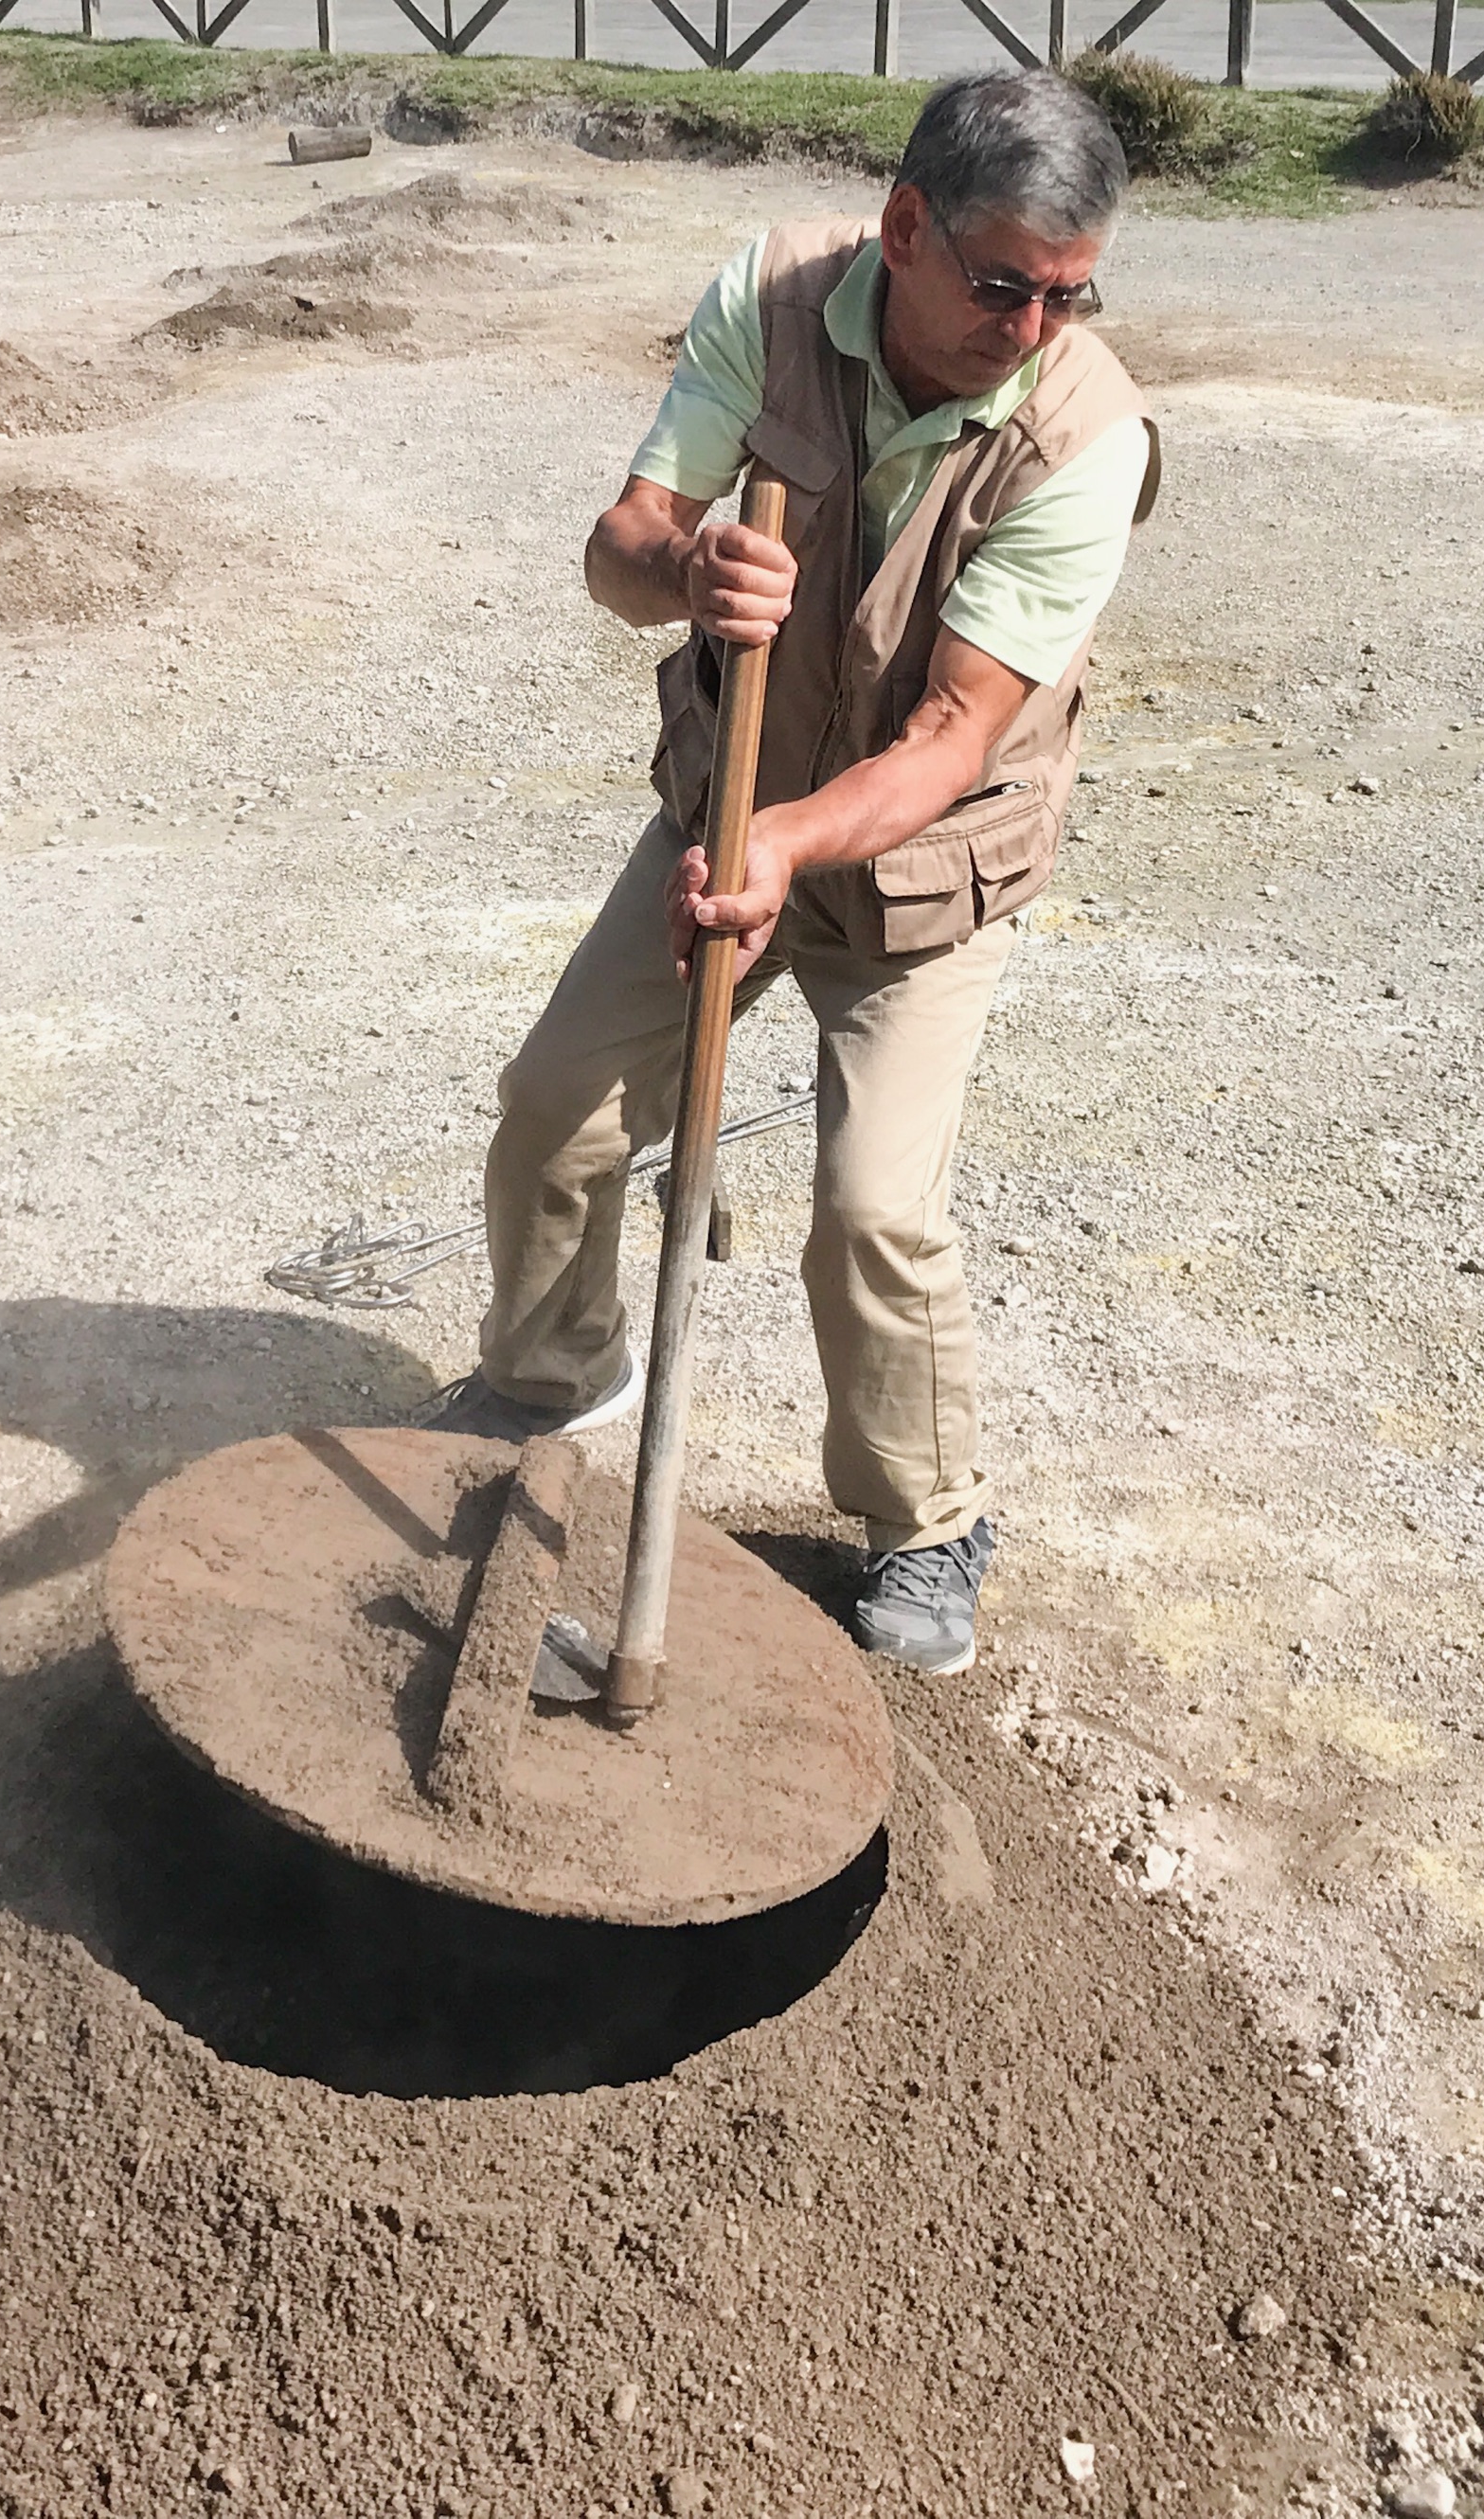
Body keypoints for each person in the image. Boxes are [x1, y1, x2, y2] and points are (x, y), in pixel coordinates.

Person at [420, 66, 1160, 1677]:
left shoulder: (1085, 437)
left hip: (920, 869)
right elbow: (616, 556)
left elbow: (957, 738)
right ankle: (556, 1378)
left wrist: (783, 846)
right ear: (905, 228)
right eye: (1004, 286)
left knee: (870, 1206)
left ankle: (931, 1522)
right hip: (729, 796)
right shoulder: (769, 300)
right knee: (558, 1099)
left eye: (1071, 293)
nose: (1036, 327)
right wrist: (685, 566)